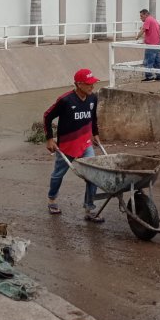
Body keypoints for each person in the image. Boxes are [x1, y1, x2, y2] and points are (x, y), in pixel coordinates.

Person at [43, 68, 105, 223]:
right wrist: (50, 139)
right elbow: (47, 116)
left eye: (93, 83)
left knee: (93, 175)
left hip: (85, 144)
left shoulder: (93, 98)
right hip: (67, 146)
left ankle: (89, 209)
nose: (92, 87)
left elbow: (93, 118)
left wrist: (95, 134)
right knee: (58, 174)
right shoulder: (65, 100)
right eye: (89, 84)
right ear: (78, 84)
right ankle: (52, 199)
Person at [136, 8, 160, 81]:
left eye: (141, 16)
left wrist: (137, 37)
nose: (140, 18)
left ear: (146, 14)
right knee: (158, 62)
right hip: (158, 43)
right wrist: (155, 34)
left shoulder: (148, 20)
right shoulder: (153, 19)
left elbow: (143, 30)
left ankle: (149, 77)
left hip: (151, 44)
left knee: (148, 61)